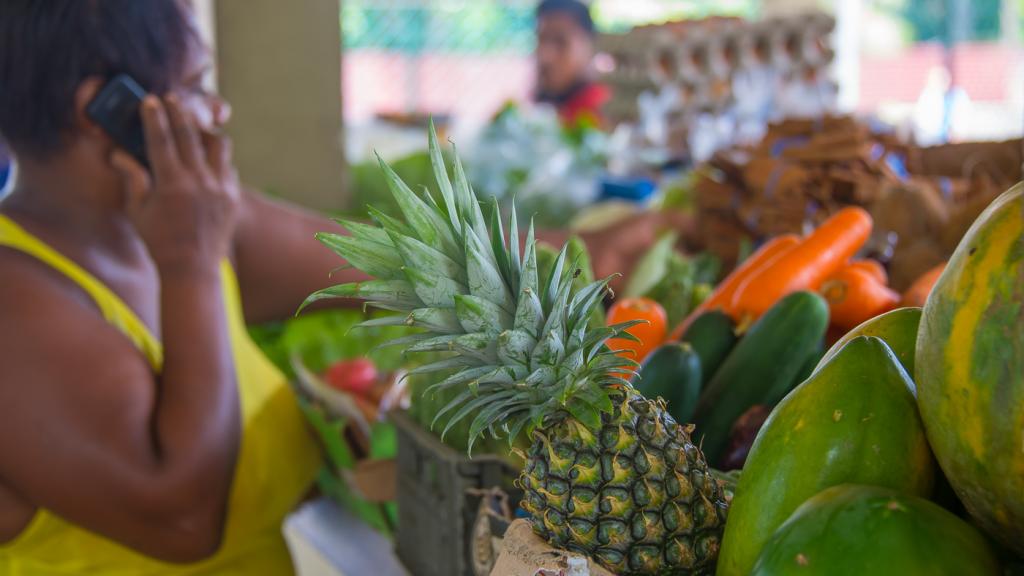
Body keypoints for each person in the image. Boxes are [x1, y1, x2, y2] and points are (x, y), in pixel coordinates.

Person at [0, 1, 673, 573]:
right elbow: (184, 517)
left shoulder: (201, 226)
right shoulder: (24, 305)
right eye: (198, 84)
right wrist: (191, 263)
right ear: (106, 112)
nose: (218, 107)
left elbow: (444, 269)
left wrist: (633, 240)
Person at [535, 0, 610, 126]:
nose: (545, 55)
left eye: (560, 42)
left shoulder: (605, 113)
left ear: (590, 47)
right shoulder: (544, 109)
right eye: (541, 39)